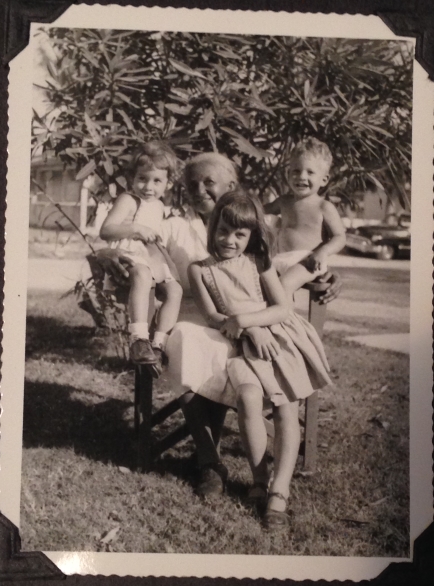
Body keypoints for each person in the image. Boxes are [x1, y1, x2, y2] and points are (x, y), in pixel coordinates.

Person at [96, 152, 341, 497]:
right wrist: (111, 260)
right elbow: (124, 248)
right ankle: (210, 462)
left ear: (231, 186)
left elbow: (289, 263)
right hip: (196, 316)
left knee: (223, 352)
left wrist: (328, 273)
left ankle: (249, 472)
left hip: (253, 321)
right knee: (182, 340)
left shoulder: (254, 226)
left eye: (209, 182)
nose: (199, 190)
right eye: (192, 183)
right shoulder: (171, 225)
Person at [188, 190, 331, 526]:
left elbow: (283, 308)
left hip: (280, 338)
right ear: (212, 228)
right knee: (249, 397)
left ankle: (279, 490)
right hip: (241, 346)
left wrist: (251, 321)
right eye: (222, 231)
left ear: (251, 235)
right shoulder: (201, 270)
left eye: (240, 234)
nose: (229, 240)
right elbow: (212, 317)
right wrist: (244, 329)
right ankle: (258, 477)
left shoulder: (259, 263)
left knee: (286, 407)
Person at [99, 141, 183, 374]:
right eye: (142, 179)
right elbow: (106, 231)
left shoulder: (158, 205)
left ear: (168, 183)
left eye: (157, 181)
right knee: (143, 276)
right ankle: (138, 339)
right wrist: (135, 229)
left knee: (175, 291)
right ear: (131, 179)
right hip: (128, 254)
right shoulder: (128, 200)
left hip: (151, 255)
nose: (148, 187)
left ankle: (158, 344)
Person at [265, 137, 346, 295]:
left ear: (324, 179)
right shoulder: (283, 202)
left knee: (283, 285)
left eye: (310, 172)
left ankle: (285, 318)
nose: (301, 176)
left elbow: (340, 237)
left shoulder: (324, 206)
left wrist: (323, 252)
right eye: (296, 171)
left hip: (308, 260)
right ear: (288, 174)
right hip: (279, 258)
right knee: (261, 285)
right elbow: (259, 210)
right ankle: (275, 317)